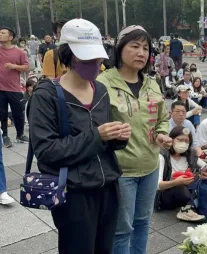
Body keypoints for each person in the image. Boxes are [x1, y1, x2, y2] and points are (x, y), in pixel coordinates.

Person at [29, 18, 131, 253]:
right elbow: (46, 151)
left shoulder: (101, 90)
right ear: (68, 55)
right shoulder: (46, 95)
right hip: (73, 194)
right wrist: (97, 136)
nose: (96, 64)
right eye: (87, 58)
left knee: (105, 248)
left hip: (108, 187)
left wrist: (117, 136)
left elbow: (104, 142)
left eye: (98, 58)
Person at [96, 25, 172, 253]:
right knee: (121, 229)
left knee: (142, 223)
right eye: (135, 46)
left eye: (146, 48)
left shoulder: (151, 83)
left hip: (150, 166)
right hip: (121, 170)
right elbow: (94, 124)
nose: (141, 53)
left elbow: (162, 117)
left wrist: (162, 133)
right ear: (120, 48)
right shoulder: (103, 82)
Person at [156, 126, 207, 222]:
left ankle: (189, 208)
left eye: (186, 141)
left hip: (185, 194)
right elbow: (158, 185)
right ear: (171, 139)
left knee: (204, 180)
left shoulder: (190, 155)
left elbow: (206, 167)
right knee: (179, 185)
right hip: (165, 197)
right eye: (180, 140)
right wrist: (175, 182)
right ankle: (189, 209)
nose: (183, 143)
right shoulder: (162, 156)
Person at [0, 27, 30, 148]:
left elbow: (27, 67)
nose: (0, 34)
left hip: (14, 88)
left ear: (10, 37)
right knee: (2, 114)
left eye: (2, 33)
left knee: (18, 113)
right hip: (0, 89)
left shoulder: (19, 52)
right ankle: (5, 136)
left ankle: (20, 134)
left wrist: (14, 66)